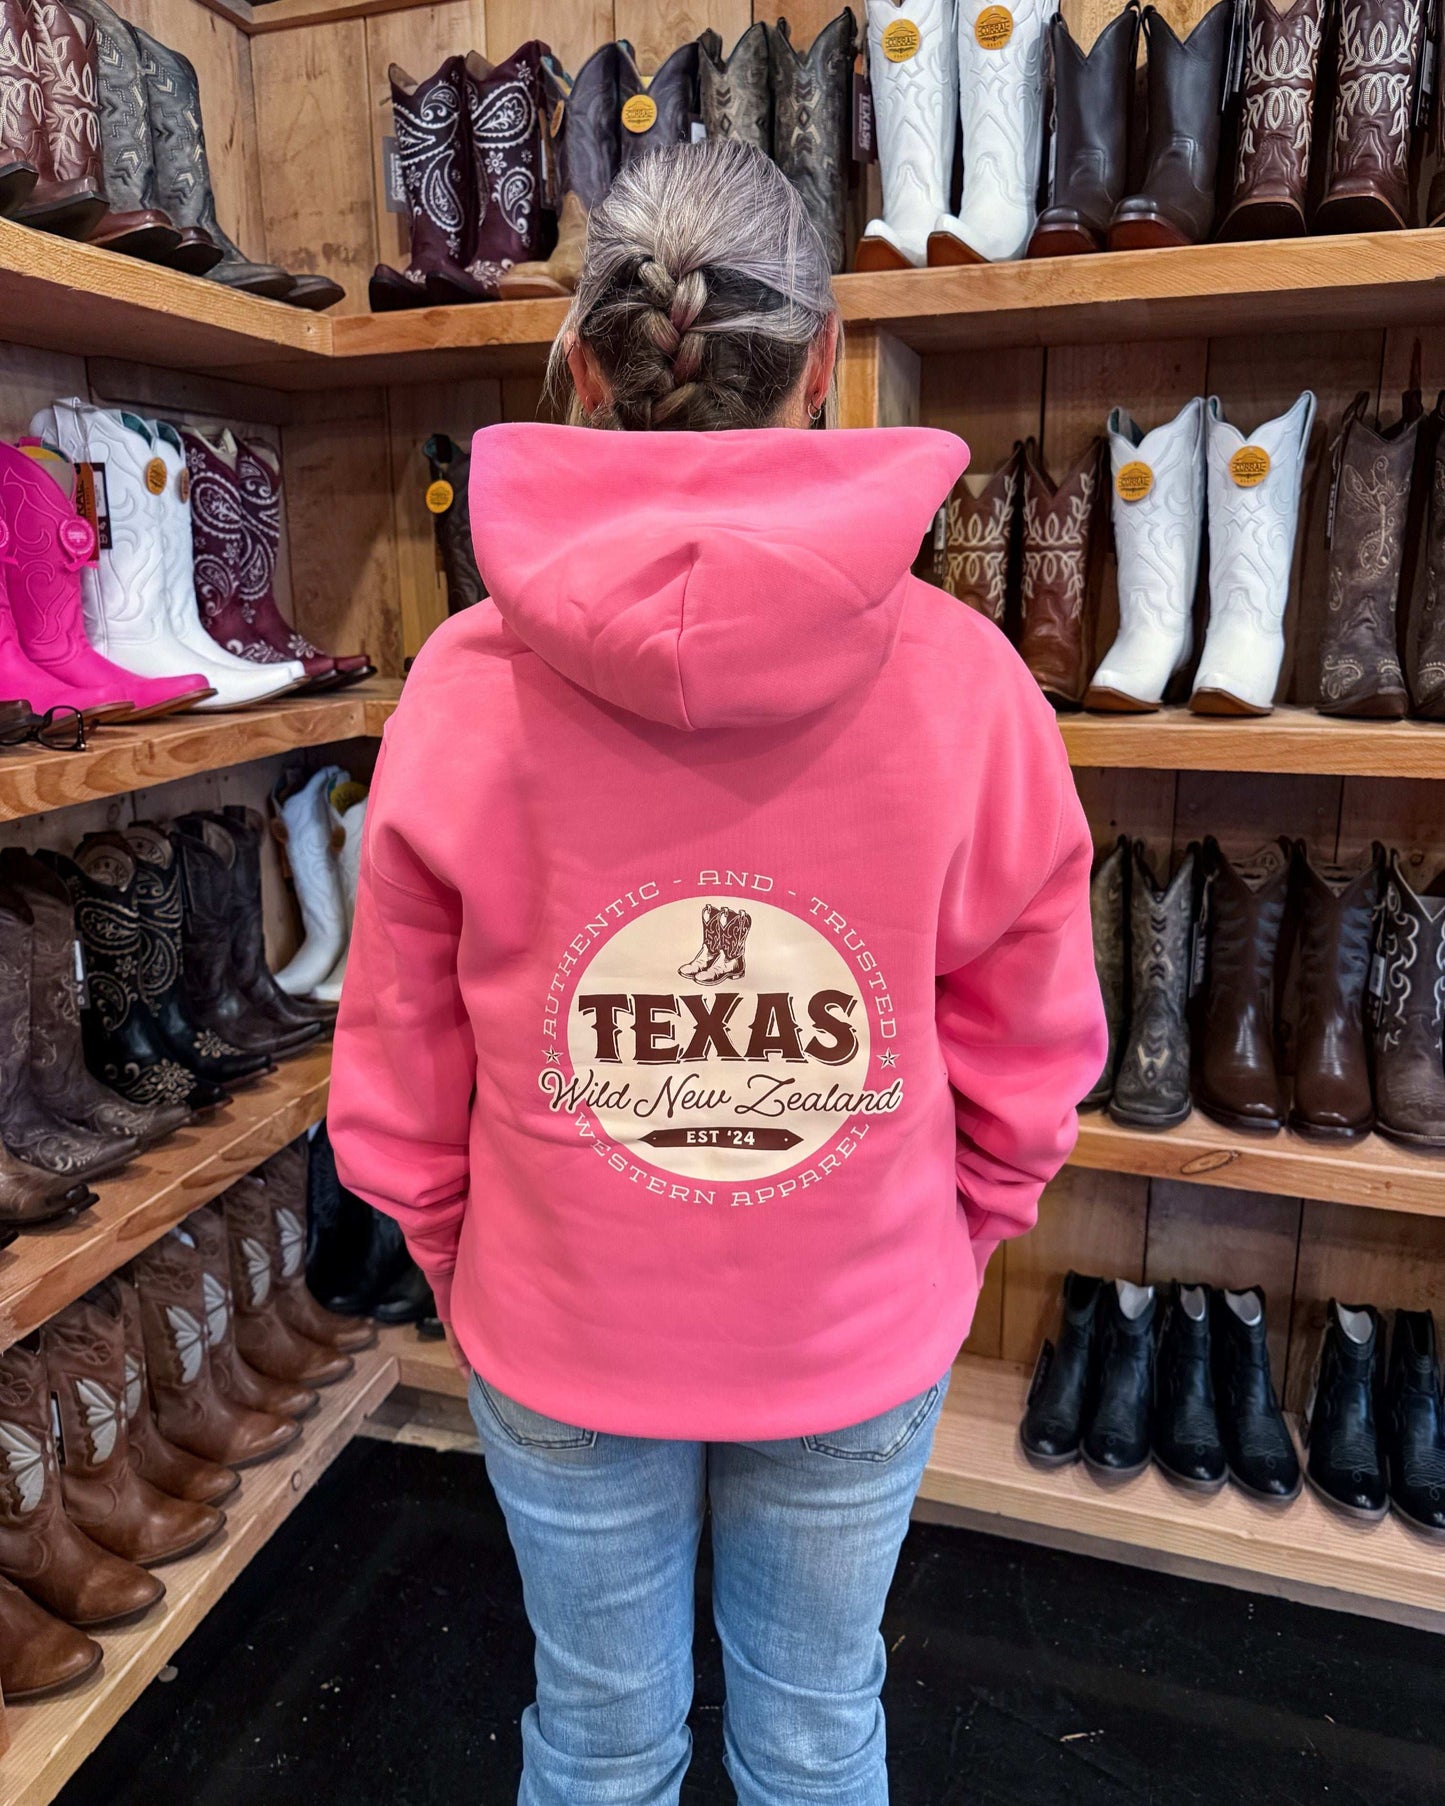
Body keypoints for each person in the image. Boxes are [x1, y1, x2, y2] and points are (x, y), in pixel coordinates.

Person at [329, 139, 1106, 1806]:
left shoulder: (464, 685)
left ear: (585, 361)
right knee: (816, 1734)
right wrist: (946, 1236)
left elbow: (394, 1072)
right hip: (856, 1320)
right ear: (825, 361)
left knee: (598, 1740)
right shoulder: (968, 681)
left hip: (558, 1322)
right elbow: (1034, 1048)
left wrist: (475, 1266)